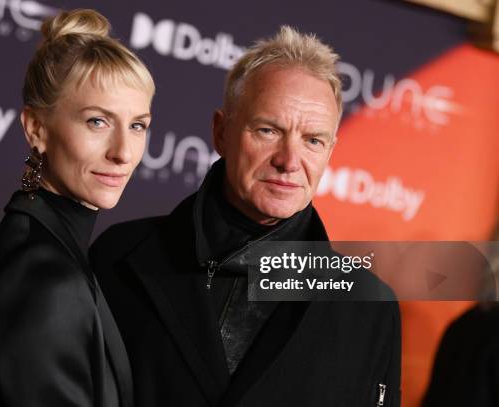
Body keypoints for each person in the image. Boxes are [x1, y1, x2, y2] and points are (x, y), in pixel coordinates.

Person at [90, 27, 401, 406]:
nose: (289, 161)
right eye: (268, 131)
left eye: (313, 140)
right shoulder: (119, 258)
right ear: (221, 132)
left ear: (330, 151)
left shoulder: (368, 306)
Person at [0, 9, 154, 407]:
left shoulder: (40, 239)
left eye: (138, 125)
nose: (124, 153)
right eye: (98, 122)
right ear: (37, 129)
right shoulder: (45, 273)